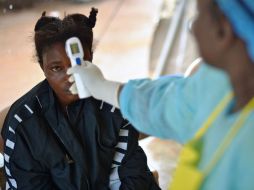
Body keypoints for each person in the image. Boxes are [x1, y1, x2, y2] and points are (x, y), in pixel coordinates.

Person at [67, 0, 254, 189]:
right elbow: (167, 102)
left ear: (223, 31)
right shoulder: (218, 82)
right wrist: (103, 87)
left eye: (198, 15)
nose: (192, 27)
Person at [1, 8, 160, 190]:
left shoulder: (113, 107)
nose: (71, 76)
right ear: (42, 67)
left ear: (90, 57)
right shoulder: (24, 124)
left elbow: (134, 177)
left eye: (78, 62)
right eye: (56, 68)